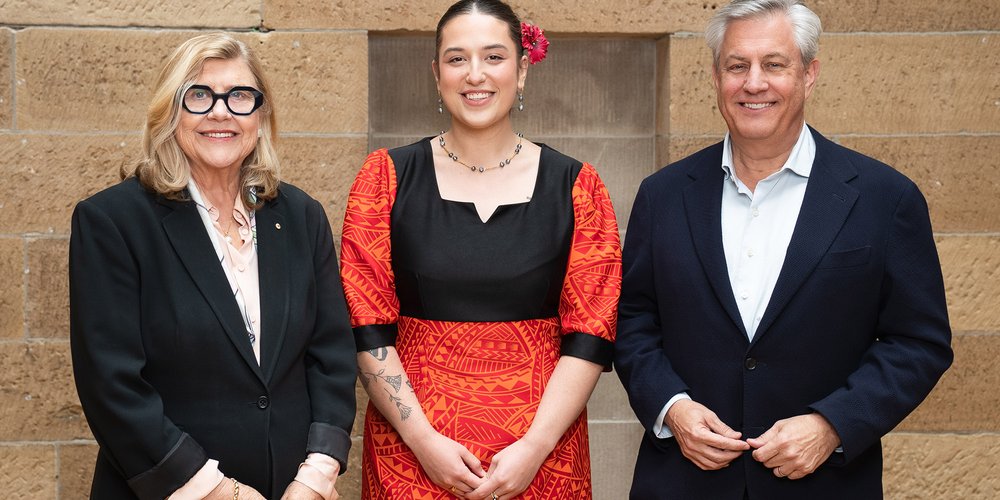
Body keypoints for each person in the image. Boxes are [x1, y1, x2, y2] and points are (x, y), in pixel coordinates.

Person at [613, 1, 953, 498]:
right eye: (737, 66)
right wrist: (672, 408)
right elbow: (632, 320)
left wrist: (833, 424)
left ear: (809, 75)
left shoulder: (885, 198)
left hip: (823, 483)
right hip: (683, 482)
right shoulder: (663, 195)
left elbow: (918, 343)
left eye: (774, 65)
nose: (754, 83)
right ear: (716, 76)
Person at [339, 1, 621, 498]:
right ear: (436, 72)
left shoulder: (578, 186)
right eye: (456, 59)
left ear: (522, 68)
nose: (475, 75)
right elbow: (365, 328)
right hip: (413, 459)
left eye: (493, 57)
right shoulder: (384, 178)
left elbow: (590, 336)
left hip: (541, 461)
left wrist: (534, 448)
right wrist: (422, 440)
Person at [69, 33, 357, 500]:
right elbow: (112, 387)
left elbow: (332, 360)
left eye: (240, 96)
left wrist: (316, 476)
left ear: (261, 116)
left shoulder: (301, 216)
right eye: (199, 96)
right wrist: (220, 492)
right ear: (170, 113)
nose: (221, 112)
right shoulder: (113, 222)